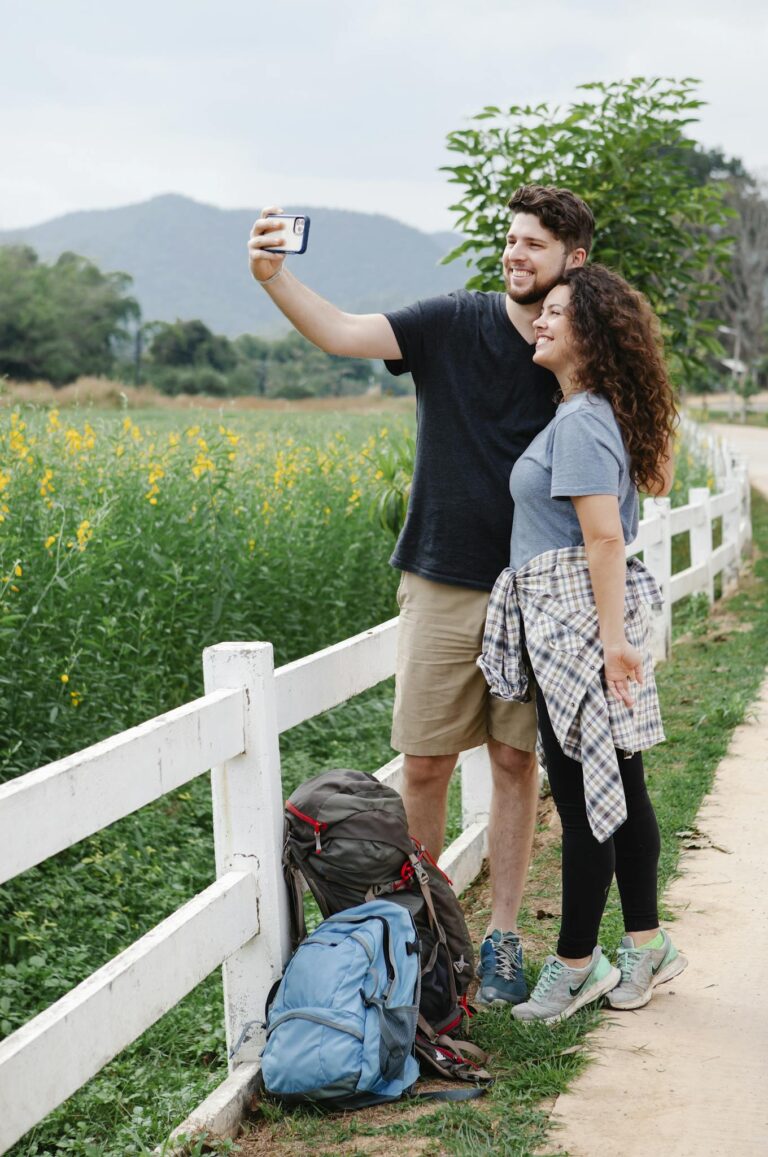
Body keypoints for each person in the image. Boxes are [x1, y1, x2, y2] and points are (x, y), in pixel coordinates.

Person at [247, 186, 595, 1006]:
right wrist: (271, 277)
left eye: (534, 245)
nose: (515, 255)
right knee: (427, 762)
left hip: (534, 586)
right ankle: (426, 936)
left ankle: (502, 936)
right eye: (511, 240)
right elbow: (342, 333)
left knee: (516, 762)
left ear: (572, 260)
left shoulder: (578, 345)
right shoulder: (451, 320)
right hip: (440, 574)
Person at [478, 263, 687, 1022]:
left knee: (584, 795)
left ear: (591, 337)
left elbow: (602, 539)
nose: (541, 320)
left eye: (557, 313)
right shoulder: (590, 413)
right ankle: (646, 944)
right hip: (570, 619)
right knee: (620, 787)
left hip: (575, 622)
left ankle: (575, 964)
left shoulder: (581, 422)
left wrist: (610, 643)